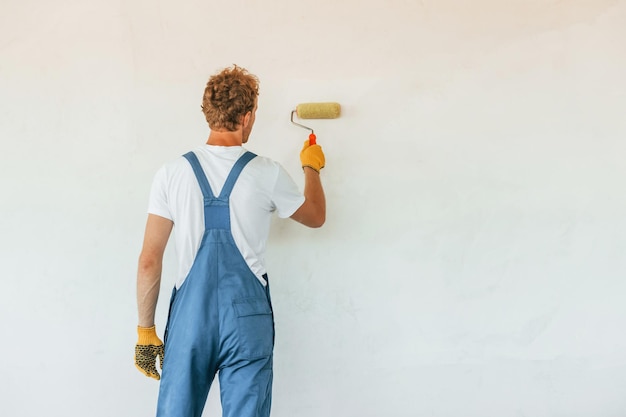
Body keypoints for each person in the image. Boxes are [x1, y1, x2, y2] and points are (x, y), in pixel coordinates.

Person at [134, 65, 326, 417]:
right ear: (248, 116)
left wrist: (146, 332)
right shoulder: (266, 172)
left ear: (208, 113)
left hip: (190, 323)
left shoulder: (171, 173)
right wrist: (311, 168)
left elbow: (149, 259)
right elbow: (315, 216)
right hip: (246, 319)